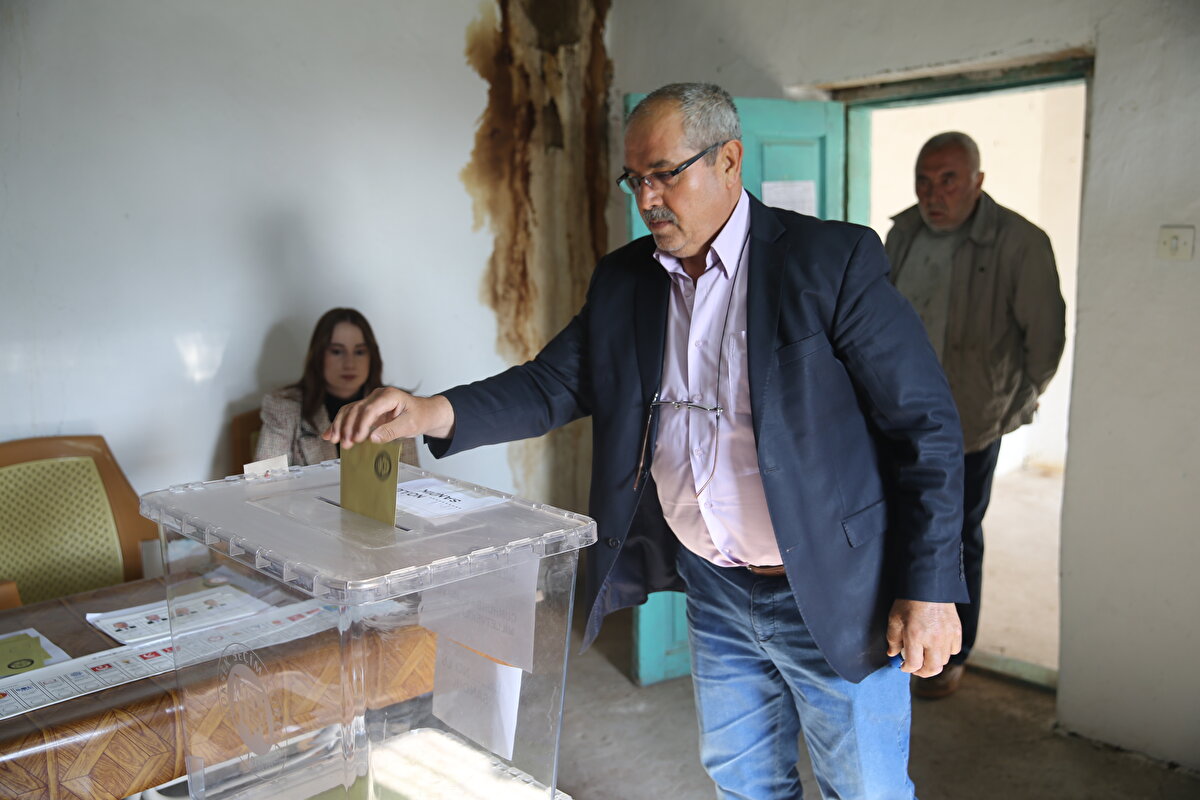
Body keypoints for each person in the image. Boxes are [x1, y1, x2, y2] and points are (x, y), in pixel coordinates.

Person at [326, 84, 966, 800]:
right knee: (745, 783)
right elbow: (550, 386)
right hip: (716, 589)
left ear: (729, 160)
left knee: (866, 789)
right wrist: (425, 411)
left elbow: (927, 425)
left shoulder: (829, 262)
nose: (648, 198)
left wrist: (930, 587)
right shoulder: (626, 281)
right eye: (636, 179)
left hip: (838, 586)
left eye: (666, 173)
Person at [885, 132, 1066, 699]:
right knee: (893, 524)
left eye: (948, 180)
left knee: (957, 534)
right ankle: (900, 636)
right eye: (923, 179)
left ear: (978, 182)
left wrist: (1007, 407)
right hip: (894, 415)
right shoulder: (904, 232)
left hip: (969, 421)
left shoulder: (1019, 242)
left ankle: (951, 654)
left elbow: (1047, 342)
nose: (933, 193)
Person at [256, 308, 418, 468]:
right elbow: (264, 482)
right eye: (337, 351)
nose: (349, 363)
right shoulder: (284, 407)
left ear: (372, 356)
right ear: (319, 356)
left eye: (359, 352)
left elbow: (411, 479)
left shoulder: (396, 405)